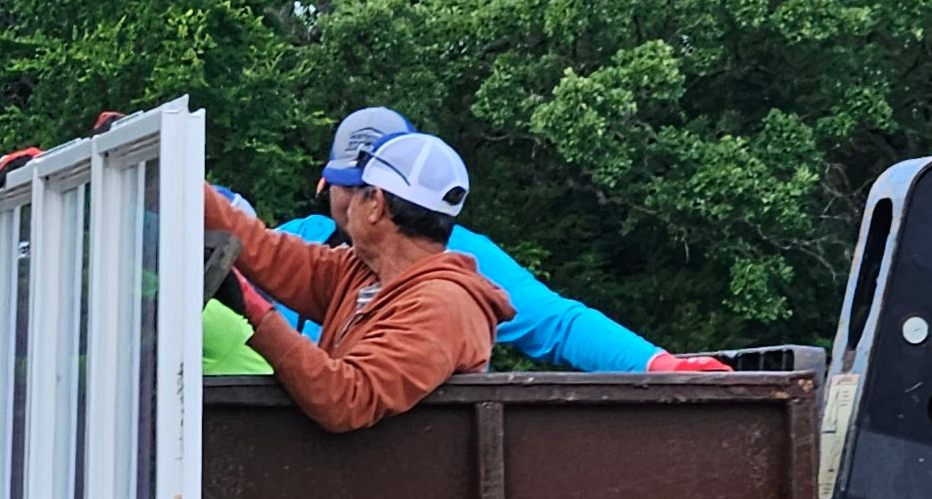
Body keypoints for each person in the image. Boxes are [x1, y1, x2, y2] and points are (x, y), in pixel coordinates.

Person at [276, 106, 726, 375]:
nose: (363, 202)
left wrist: (660, 366)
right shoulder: (298, 244)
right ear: (326, 185)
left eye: (372, 189)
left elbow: (558, 324)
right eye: (351, 186)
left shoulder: (461, 260)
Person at [206, 132, 510, 432]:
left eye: (356, 190)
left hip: (394, 481)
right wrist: (183, 186)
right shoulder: (364, 272)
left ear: (376, 203)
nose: (345, 203)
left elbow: (346, 399)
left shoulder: (442, 306)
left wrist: (256, 311)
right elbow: (265, 250)